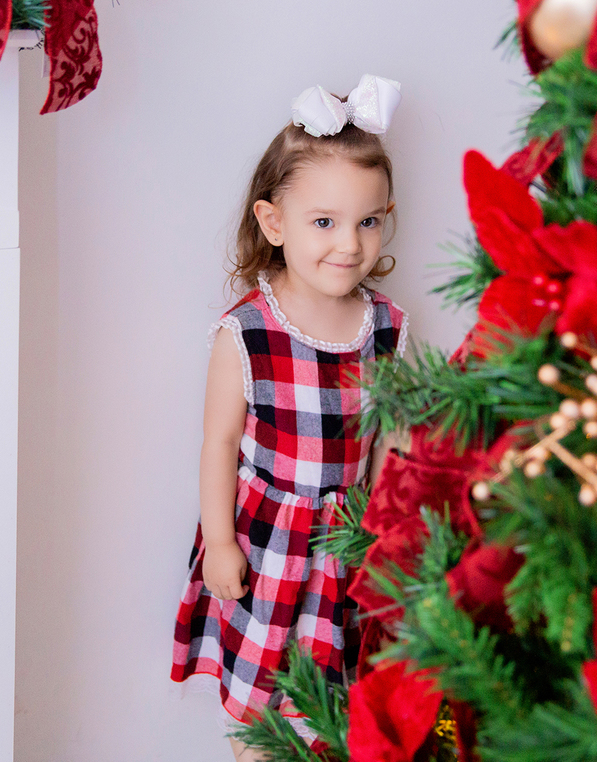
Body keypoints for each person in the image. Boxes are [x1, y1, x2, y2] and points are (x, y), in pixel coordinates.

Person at [170, 75, 409, 761]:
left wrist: (386, 538)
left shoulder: (386, 326)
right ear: (274, 223)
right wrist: (220, 542)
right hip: (268, 546)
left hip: (346, 550)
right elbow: (218, 444)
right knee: (265, 711)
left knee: (338, 708)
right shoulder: (248, 331)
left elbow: (391, 443)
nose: (349, 244)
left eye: (367, 221)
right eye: (324, 222)